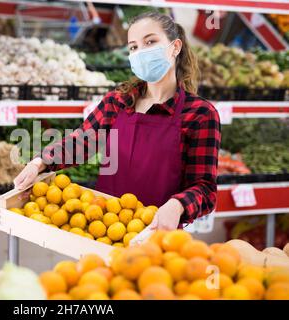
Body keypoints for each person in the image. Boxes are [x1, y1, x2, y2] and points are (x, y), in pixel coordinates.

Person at [14, 11, 221, 232]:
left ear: (175, 47)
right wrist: (39, 162)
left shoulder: (199, 114)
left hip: (158, 237)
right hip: (102, 228)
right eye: (133, 47)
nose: (141, 52)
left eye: (150, 42)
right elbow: (82, 142)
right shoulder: (118, 102)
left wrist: (178, 205)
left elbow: (205, 189)